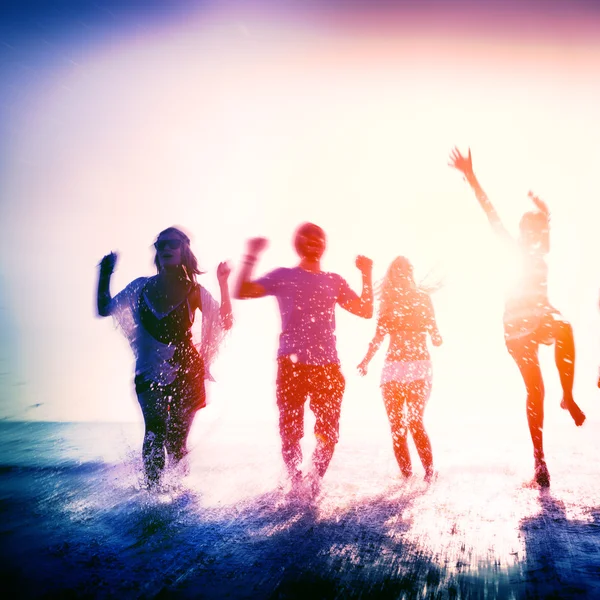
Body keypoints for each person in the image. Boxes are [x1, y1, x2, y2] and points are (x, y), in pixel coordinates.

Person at [448, 147, 585, 487]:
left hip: (541, 319)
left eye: (538, 232)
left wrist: (545, 214)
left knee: (565, 326)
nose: (534, 237)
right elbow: (491, 213)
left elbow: (545, 230)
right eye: (529, 231)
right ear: (522, 234)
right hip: (516, 329)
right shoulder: (514, 247)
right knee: (535, 390)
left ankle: (567, 396)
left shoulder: (541, 251)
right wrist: (472, 176)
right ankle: (539, 460)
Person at [234, 222, 373, 495]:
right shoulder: (283, 276)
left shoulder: (334, 281)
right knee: (290, 433)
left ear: (324, 244)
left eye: (319, 237)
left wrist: (366, 275)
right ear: (298, 244)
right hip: (291, 365)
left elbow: (366, 310)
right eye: (307, 237)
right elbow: (242, 291)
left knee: (328, 434)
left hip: (328, 366)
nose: (313, 241)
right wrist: (251, 256)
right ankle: (295, 484)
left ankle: (313, 484)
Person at [96, 227, 233, 486]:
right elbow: (105, 308)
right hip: (149, 370)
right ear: (157, 254)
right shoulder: (141, 287)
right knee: (155, 430)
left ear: (184, 250)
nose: (165, 249)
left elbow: (226, 321)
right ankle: (153, 494)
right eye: (160, 245)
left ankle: (178, 495)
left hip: (187, 371)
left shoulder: (195, 291)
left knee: (176, 442)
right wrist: (105, 273)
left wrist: (223, 284)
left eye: (172, 244)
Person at [357, 256, 442, 482]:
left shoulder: (423, 299)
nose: (401, 273)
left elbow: (435, 332)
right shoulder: (388, 303)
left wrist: (436, 336)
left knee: (415, 420)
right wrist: (366, 360)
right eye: (397, 270)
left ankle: (429, 474)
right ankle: (406, 479)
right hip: (393, 368)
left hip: (419, 366)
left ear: (410, 273)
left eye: (405, 269)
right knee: (397, 426)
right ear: (392, 275)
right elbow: (378, 337)